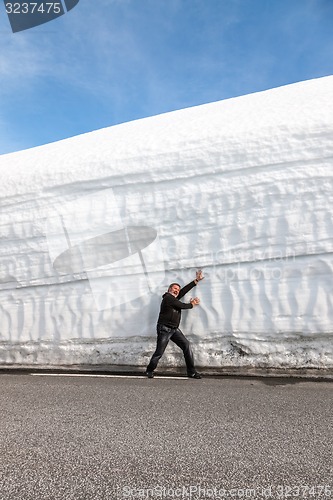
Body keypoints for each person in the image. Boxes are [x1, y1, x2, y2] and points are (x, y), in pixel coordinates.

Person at [145, 270, 204, 379]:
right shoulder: (168, 298)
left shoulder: (173, 298)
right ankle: (149, 370)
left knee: (186, 345)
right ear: (169, 290)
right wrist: (192, 304)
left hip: (174, 329)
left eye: (178, 289)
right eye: (174, 289)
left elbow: (184, 291)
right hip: (164, 329)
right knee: (159, 351)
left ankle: (191, 372)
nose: (177, 291)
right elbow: (181, 305)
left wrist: (196, 281)